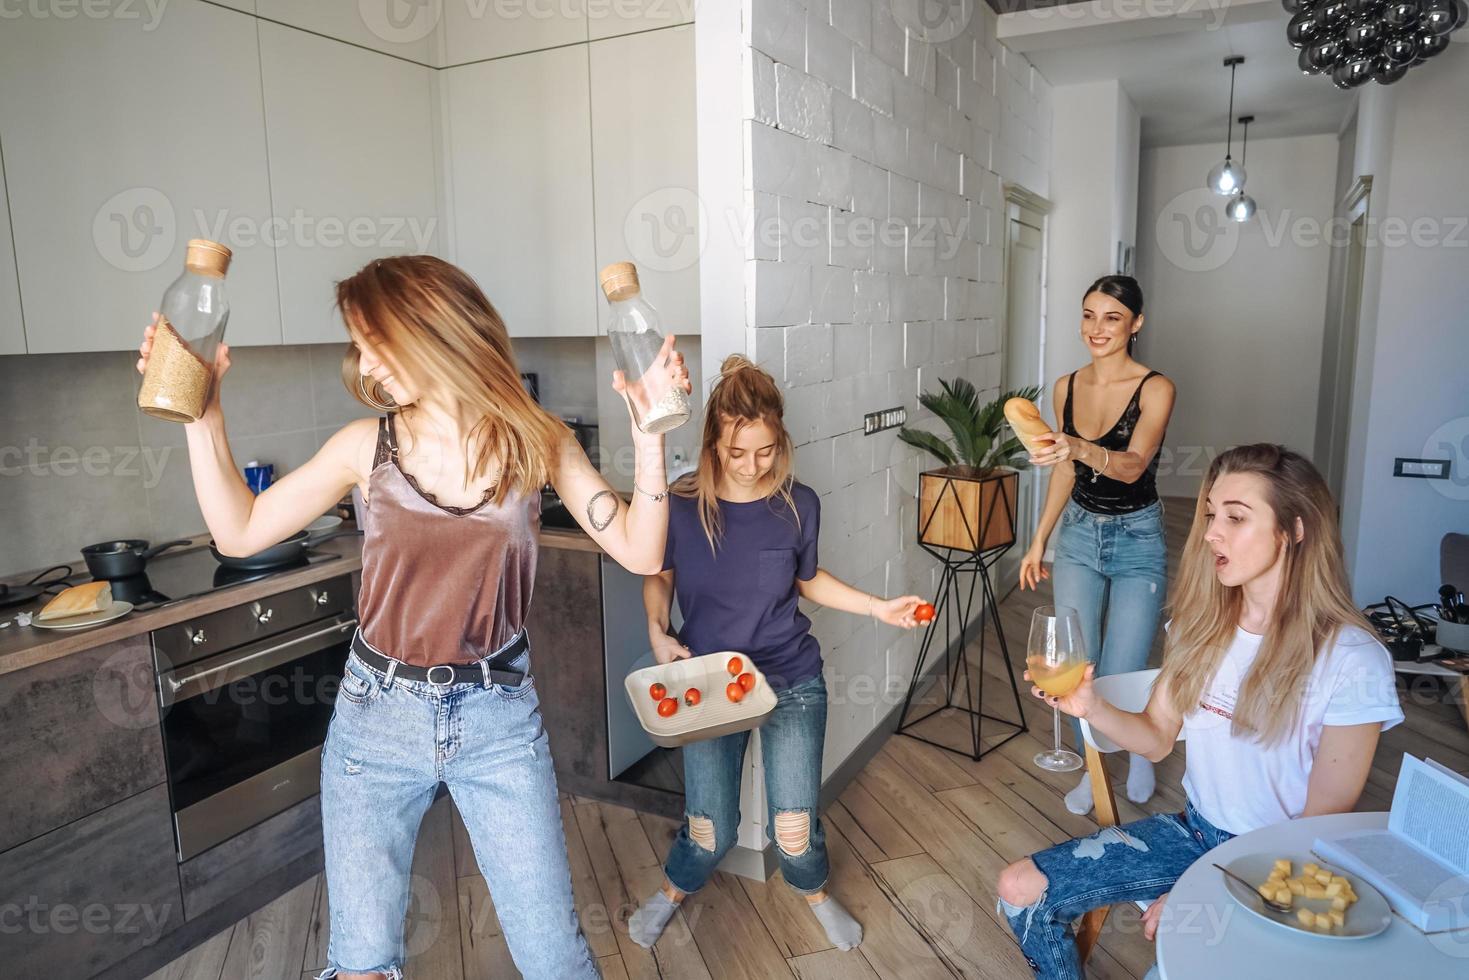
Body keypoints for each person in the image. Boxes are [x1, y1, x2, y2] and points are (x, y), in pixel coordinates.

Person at [136, 255, 691, 980]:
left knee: (555, 957)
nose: (363, 362)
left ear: (430, 332)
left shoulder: (536, 439)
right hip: (377, 717)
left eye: (374, 340)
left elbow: (640, 549)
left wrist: (650, 438)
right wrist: (203, 415)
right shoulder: (365, 446)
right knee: (361, 964)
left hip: (497, 718)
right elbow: (239, 532)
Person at [996, 444, 1403, 979]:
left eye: (1236, 517)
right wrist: (1089, 706)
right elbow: (1157, 737)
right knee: (1019, 891)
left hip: (1281, 866)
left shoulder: (1352, 660)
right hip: (1194, 833)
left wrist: (1213, 892)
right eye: (1212, 514)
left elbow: (1318, 828)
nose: (1211, 531)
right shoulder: (1201, 626)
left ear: (1295, 529)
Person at [626, 355, 925, 952]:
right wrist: (659, 632)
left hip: (790, 679)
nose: (750, 466)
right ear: (712, 441)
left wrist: (877, 606)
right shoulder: (681, 504)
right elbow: (656, 573)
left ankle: (814, 892)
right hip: (709, 684)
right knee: (711, 831)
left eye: (764, 452)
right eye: (736, 453)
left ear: (779, 442)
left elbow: (806, 581)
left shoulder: (799, 504)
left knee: (792, 831)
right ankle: (673, 889)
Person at [1019, 275, 1176, 815]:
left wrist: (1079, 446)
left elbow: (1132, 467)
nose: (1097, 328)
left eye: (1111, 317)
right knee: (1077, 665)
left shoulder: (1155, 388)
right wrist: (1039, 540)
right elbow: (1065, 472)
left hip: (1138, 538)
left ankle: (1142, 749)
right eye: (1088, 315)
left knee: (1123, 669)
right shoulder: (1064, 386)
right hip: (1081, 535)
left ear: (1136, 323)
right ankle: (1093, 771)